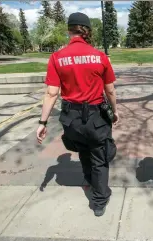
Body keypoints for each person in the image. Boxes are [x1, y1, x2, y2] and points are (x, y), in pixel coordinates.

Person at [36, 12, 119, 217]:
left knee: (83, 151)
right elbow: (110, 90)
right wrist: (115, 111)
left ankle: (91, 183)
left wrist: (42, 122)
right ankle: (99, 202)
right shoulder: (99, 56)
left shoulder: (57, 57)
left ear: (69, 30)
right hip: (96, 116)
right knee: (100, 156)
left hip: (72, 118)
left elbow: (51, 92)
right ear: (87, 31)